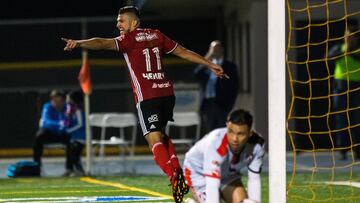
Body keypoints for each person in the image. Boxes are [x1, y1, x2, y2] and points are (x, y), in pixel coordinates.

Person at [62, 6, 228, 202]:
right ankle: (176, 170)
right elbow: (183, 51)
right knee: (162, 136)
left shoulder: (128, 40)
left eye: (121, 21)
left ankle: (174, 177)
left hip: (147, 96)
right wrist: (210, 64)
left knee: (153, 140)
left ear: (134, 22)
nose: (118, 25)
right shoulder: (156, 35)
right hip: (166, 93)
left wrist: (79, 43)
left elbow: (102, 43)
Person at [183, 109, 264, 203]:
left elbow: (254, 179)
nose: (234, 139)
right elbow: (212, 184)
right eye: (230, 131)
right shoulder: (216, 144)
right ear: (227, 127)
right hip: (198, 172)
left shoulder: (257, 145)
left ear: (250, 133)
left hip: (226, 173)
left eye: (240, 134)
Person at [328, 25, 360, 160]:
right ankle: (342, 150)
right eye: (346, 35)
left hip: (356, 88)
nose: (347, 38)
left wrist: (351, 52)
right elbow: (329, 57)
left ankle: (357, 150)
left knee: (356, 121)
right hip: (340, 88)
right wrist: (344, 52)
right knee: (341, 120)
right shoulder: (338, 48)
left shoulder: (358, 50)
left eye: (350, 36)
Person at [194, 40, 239, 134]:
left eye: (217, 48)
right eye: (212, 49)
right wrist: (207, 58)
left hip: (222, 103)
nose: (215, 51)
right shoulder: (207, 65)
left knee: (222, 130)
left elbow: (234, 87)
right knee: (210, 131)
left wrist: (229, 105)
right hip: (207, 103)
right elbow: (195, 75)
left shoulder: (230, 66)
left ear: (222, 50)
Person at [33, 89, 71, 172]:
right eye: (54, 100)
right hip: (50, 134)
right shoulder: (47, 107)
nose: (57, 102)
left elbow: (68, 121)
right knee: (39, 136)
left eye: (59, 100)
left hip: (62, 134)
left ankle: (70, 167)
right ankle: (37, 165)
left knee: (72, 140)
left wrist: (65, 125)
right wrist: (60, 124)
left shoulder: (67, 108)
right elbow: (46, 122)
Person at [63, 91, 86, 176]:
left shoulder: (78, 111)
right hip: (74, 138)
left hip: (81, 138)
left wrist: (70, 130)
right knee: (69, 151)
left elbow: (80, 124)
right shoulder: (70, 110)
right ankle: (69, 169)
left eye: (68, 98)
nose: (67, 100)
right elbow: (66, 122)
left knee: (74, 154)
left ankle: (79, 170)